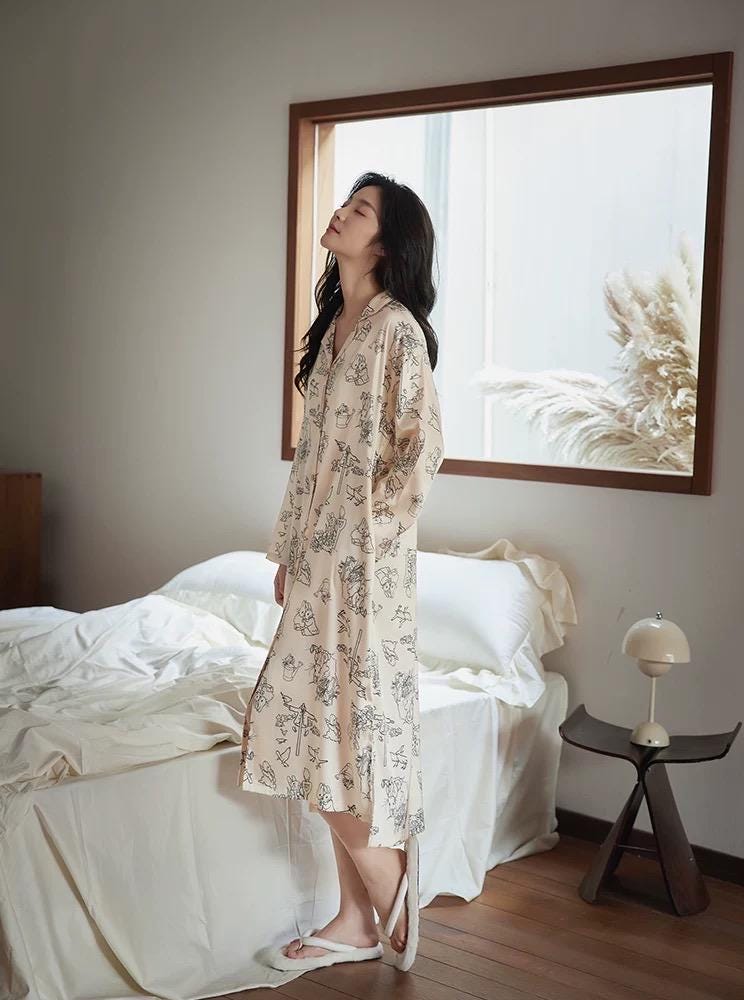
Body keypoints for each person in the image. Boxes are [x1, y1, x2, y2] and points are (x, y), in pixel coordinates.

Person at [237, 171, 444, 973]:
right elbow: (310, 461)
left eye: (359, 211)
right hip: (318, 565)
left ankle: (391, 887)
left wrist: (363, 542)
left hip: (364, 576)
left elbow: (419, 452)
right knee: (318, 732)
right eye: (346, 203)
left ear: (385, 244)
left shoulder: (397, 330)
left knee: (323, 727)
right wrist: (293, 552)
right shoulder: (333, 331)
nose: (340, 214)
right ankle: (359, 921)